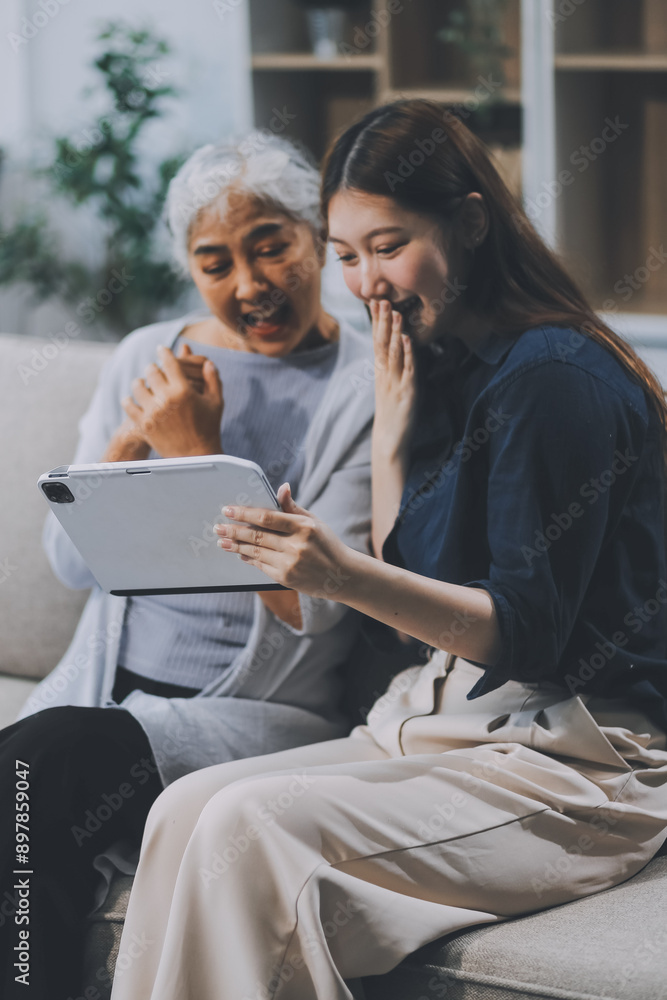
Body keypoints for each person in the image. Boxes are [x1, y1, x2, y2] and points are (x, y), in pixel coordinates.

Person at [109, 100, 667, 1000]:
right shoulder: (429, 360)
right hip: (443, 722)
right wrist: (393, 433)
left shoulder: (553, 379)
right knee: (182, 810)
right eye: (344, 255)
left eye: (388, 244)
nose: (365, 279)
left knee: (245, 826)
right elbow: (422, 614)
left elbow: (520, 634)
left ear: (472, 222)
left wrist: (333, 572)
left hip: (577, 764)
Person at [0, 134, 377, 999]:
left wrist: (197, 459)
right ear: (190, 269)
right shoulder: (147, 356)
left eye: (270, 245)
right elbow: (68, 564)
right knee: (27, 794)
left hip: (257, 713)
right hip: (103, 692)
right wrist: (128, 450)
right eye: (216, 261)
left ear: (315, 235)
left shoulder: (364, 386)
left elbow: (320, 614)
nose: (248, 284)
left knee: (34, 770)